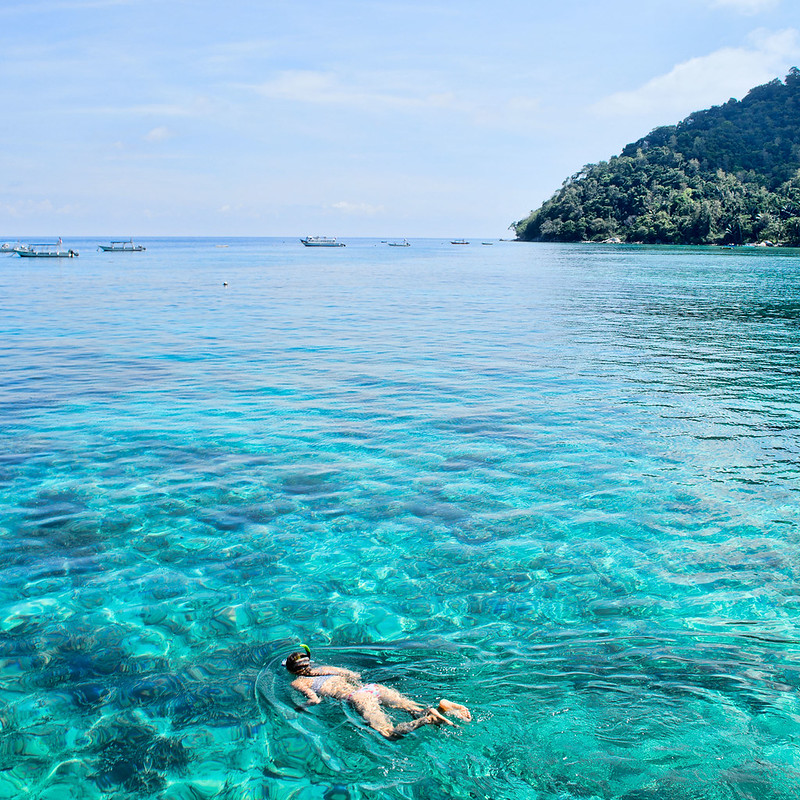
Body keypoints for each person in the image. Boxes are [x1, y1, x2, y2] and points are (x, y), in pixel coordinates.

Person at [283, 645, 472, 740]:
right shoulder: (325, 668)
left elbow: (314, 700)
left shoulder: (299, 683)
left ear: (291, 670)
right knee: (415, 709)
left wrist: (298, 708)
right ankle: (441, 707)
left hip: (357, 697)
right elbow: (354, 674)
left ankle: (428, 719)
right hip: (371, 688)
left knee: (388, 734)